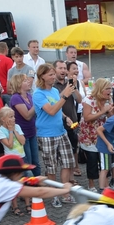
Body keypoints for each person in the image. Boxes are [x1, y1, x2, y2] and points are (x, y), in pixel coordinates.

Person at [33, 64, 76, 207]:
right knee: (51, 167)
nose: (54, 77)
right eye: (50, 75)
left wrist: (65, 117)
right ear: (42, 76)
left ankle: (64, 193)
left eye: (53, 74)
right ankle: (53, 195)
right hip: (46, 134)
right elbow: (51, 111)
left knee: (67, 163)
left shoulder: (55, 91)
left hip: (61, 131)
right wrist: (65, 95)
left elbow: (58, 108)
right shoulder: (38, 94)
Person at [80, 78, 114, 190]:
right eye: (107, 89)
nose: (110, 91)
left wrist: (109, 112)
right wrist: (102, 111)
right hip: (89, 134)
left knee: (104, 160)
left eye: (110, 88)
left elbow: (111, 117)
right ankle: (91, 184)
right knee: (92, 160)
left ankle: (105, 184)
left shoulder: (108, 99)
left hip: (102, 133)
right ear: (100, 89)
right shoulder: (89, 99)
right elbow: (87, 117)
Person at [0, 107, 30, 216]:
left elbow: (23, 141)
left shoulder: (17, 127)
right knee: (13, 183)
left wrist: (14, 130)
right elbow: (9, 145)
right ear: (3, 119)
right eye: (10, 117)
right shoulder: (0, 131)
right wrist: (10, 131)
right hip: (10, 160)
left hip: (22, 158)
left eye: (13, 116)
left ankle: (27, 204)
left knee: (25, 181)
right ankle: (15, 206)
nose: (14, 118)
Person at [9, 74, 40, 177]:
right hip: (23, 134)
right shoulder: (16, 98)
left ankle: (38, 182)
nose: (29, 82)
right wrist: (38, 103)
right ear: (19, 84)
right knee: (28, 163)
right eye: (25, 81)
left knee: (36, 162)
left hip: (32, 132)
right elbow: (27, 116)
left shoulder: (29, 96)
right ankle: (30, 183)